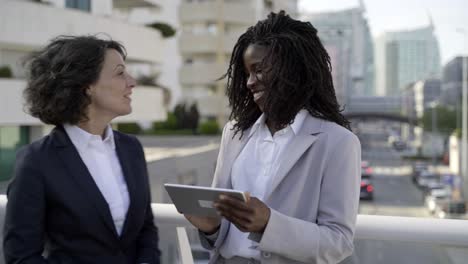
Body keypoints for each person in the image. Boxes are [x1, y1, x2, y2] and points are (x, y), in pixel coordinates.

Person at [185, 11, 361, 264]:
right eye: (246, 73)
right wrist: (210, 227)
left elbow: (338, 242)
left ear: (292, 70)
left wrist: (269, 223)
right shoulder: (234, 133)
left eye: (258, 71)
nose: (249, 82)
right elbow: (223, 227)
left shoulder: (337, 142)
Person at [3, 35, 161, 264]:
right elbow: (21, 256)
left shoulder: (131, 148)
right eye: (120, 73)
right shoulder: (36, 161)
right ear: (87, 85)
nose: (132, 81)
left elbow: (145, 228)